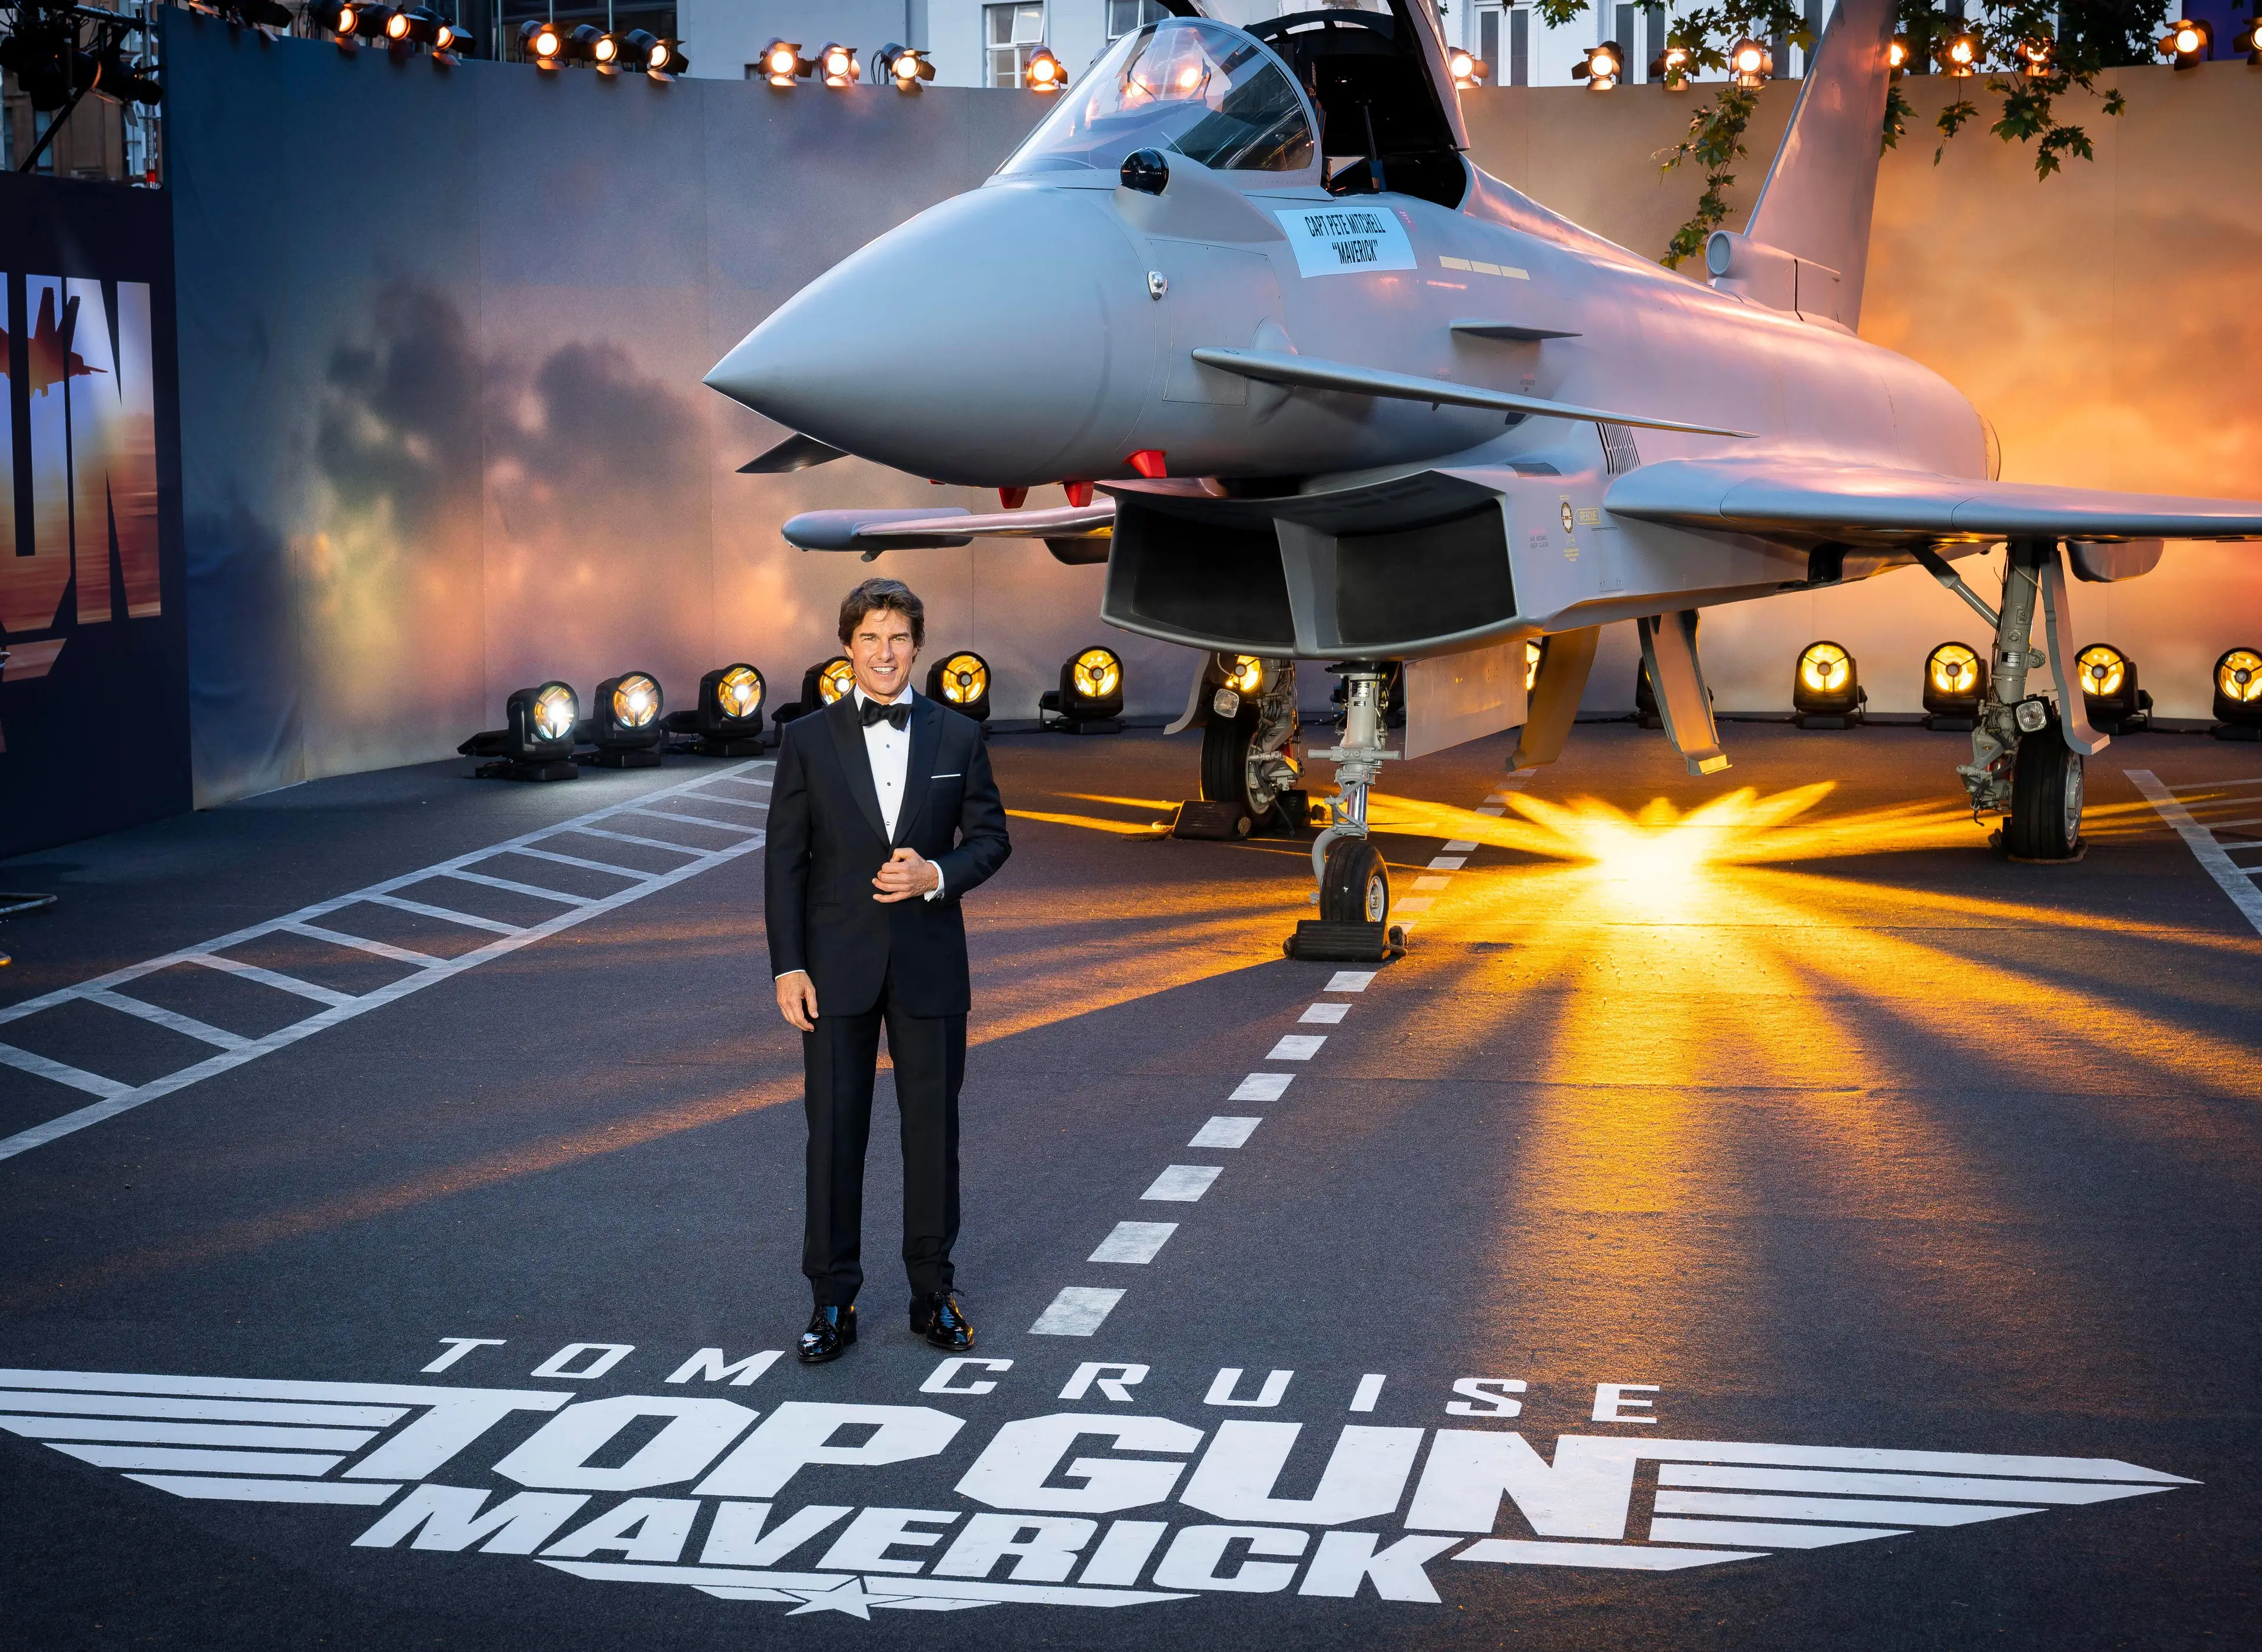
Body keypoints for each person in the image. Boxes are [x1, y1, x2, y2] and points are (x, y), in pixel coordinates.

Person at [766, 578, 1011, 1363]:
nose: (884, 653)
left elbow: (991, 839)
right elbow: (785, 865)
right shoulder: (807, 739)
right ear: (848, 647)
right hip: (834, 968)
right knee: (833, 1137)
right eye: (870, 637)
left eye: (899, 638)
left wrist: (935, 875)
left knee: (933, 1138)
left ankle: (931, 1295)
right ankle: (831, 1303)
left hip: (931, 964)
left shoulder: (959, 736)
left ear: (917, 645)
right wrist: (787, 968)